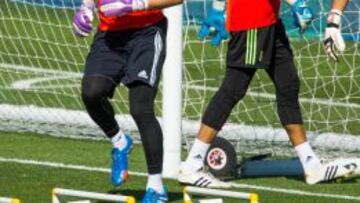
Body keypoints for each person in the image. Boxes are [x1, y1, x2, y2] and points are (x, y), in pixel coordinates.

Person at [177, 0, 359, 188]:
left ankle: (311, 165)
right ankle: (193, 164)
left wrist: (217, 8)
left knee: (288, 84)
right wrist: (296, 3)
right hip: (252, 19)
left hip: (269, 19)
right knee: (233, 88)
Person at [72, 0, 182, 201]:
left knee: (140, 108)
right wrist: (86, 8)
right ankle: (119, 141)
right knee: (91, 92)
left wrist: (134, 5)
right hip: (110, 34)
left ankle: (156, 187)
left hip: (147, 33)